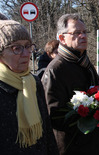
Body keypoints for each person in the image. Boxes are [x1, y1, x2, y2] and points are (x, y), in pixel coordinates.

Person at [41, 13, 99, 155]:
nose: (83, 36)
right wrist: (89, 111)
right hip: (72, 147)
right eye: (76, 33)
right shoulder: (55, 70)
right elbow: (53, 116)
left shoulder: (85, 63)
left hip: (94, 143)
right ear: (62, 38)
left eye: (84, 32)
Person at [0, 20, 59, 154]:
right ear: (1, 52)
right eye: (16, 48)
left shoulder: (34, 82)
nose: (26, 54)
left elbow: (47, 131)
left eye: (28, 46)